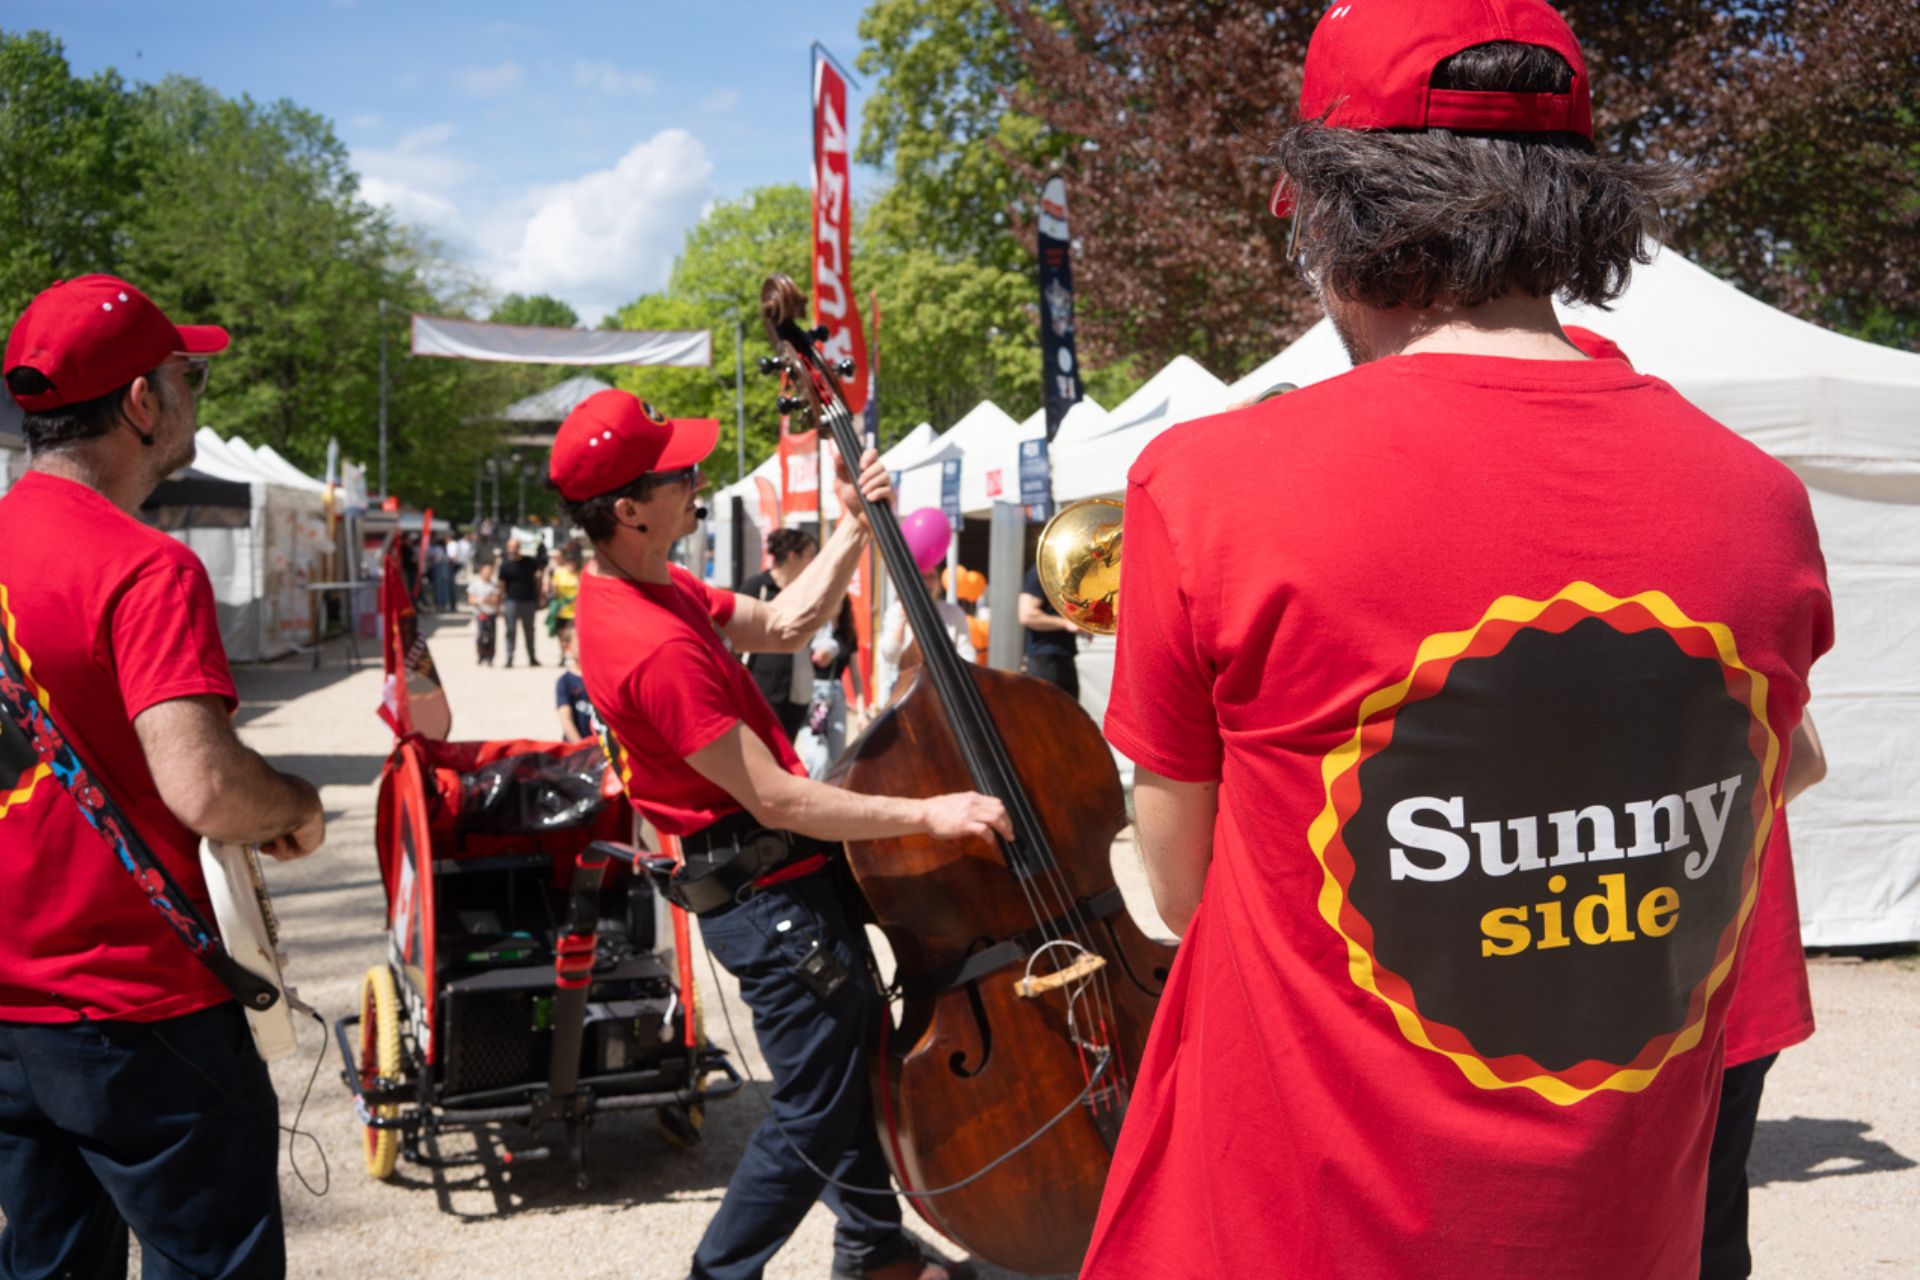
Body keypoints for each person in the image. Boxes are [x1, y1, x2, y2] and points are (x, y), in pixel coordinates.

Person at [1079, 6, 1833, 1278]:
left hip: (1300, 1232)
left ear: (1332, 213)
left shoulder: (1210, 488)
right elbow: (1786, 766)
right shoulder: (1756, 499)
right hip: (1616, 1232)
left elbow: (1184, 885)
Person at [550, 389, 1005, 1280]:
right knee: (813, 1105)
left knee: (848, 1061)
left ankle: (874, 1253)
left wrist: (853, 527)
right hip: (765, 894)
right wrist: (929, 814)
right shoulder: (650, 644)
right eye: (677, 471)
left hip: (776, 883)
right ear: (628, 509)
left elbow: (788, 623)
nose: (697, 477)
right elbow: (779, 801)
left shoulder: (652, 580)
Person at [0, 275, 328, 1278]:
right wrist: (299, 806)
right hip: (144, 1013)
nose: (197, 395)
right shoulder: (144, 566)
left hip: (14, 1007)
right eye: (188, 375)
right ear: (143, 402)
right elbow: (208, 786)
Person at [1561, 324, 1832, 1280]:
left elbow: (1800, 759)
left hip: (1687, 967)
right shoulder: (1694, 556)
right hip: (1696, 961)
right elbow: (1798, 759)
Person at [876, 508, 976, 704]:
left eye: (932, 577)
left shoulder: (953, 613)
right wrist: (903, 621)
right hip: (904, 692)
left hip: (943, 692)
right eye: (922, 578)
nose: (928, 583)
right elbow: (889, 655)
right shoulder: (896, 612)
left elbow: (968, 656)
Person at [739, 528, 823, 738]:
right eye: (811, 555)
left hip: (797, 692)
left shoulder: (805, 592)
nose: (815, 563)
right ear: (793, 557)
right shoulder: (756, 587)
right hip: (761, 690)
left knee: (787, 752)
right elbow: (732, 637)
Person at [1017, 562, 1079, 697]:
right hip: (1045, 661)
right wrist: (1064, 623)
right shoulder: (1039, 572)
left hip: (1064, 658)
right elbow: (1026, 615)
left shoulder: (1064, 573)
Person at [497, 534, 543, 667]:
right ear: (507, 548)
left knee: (529, 631)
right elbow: (501, 585)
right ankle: (509, 657)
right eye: (510, 547)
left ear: (519, 547)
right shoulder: (505, 566)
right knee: (510, 630)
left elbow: (538, 579)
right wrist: (499, 604)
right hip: (512, 601)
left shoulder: (530, 562)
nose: (513, 550)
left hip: (529, 600)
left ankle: (532, 657)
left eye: (515, 547)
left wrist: (540, 596)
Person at [549, 541, 584, 666]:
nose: (571, 565)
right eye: (569, 562)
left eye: (573, 562)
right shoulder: (559, 573)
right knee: (561, 635)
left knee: (574, 635)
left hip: (574, 610)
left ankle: (575, 656)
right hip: (562, 609)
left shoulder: (579, 574)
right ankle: (563, 656)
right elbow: (553, 589)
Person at [468, 558, 502, 666]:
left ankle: (490, 656)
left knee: (491, 636)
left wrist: (491, 602)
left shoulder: (494, 585)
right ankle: (481, 654)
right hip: (480, 614)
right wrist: (482, 600)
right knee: (480, 635)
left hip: (491, 613)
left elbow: (496, 599)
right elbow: (471, 599)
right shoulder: (475, 584)